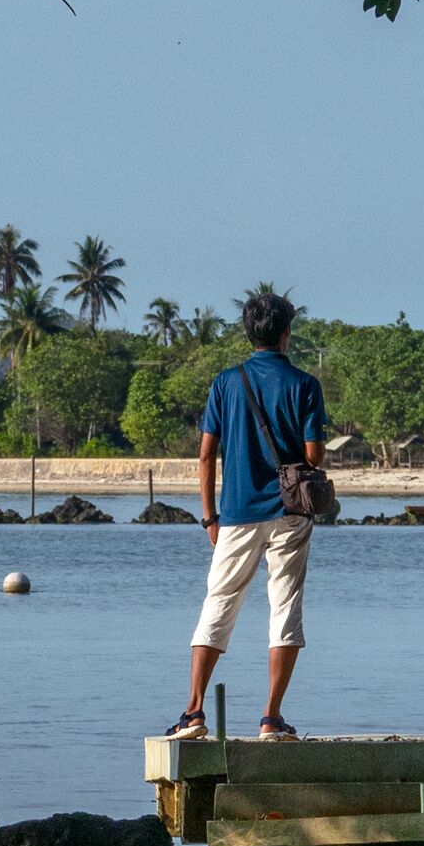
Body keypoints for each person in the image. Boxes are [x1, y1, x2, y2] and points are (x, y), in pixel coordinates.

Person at [168, 288, 328, 741]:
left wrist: (209, 518)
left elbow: (205, 456)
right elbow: (313, 456)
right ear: (285, 333)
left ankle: (193, 712)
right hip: (290, 512)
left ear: (247, 333)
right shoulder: (304, 385)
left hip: (235, 514)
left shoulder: (225, 383)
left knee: (218, 604)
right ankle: (271, 719)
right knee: (285, 608)